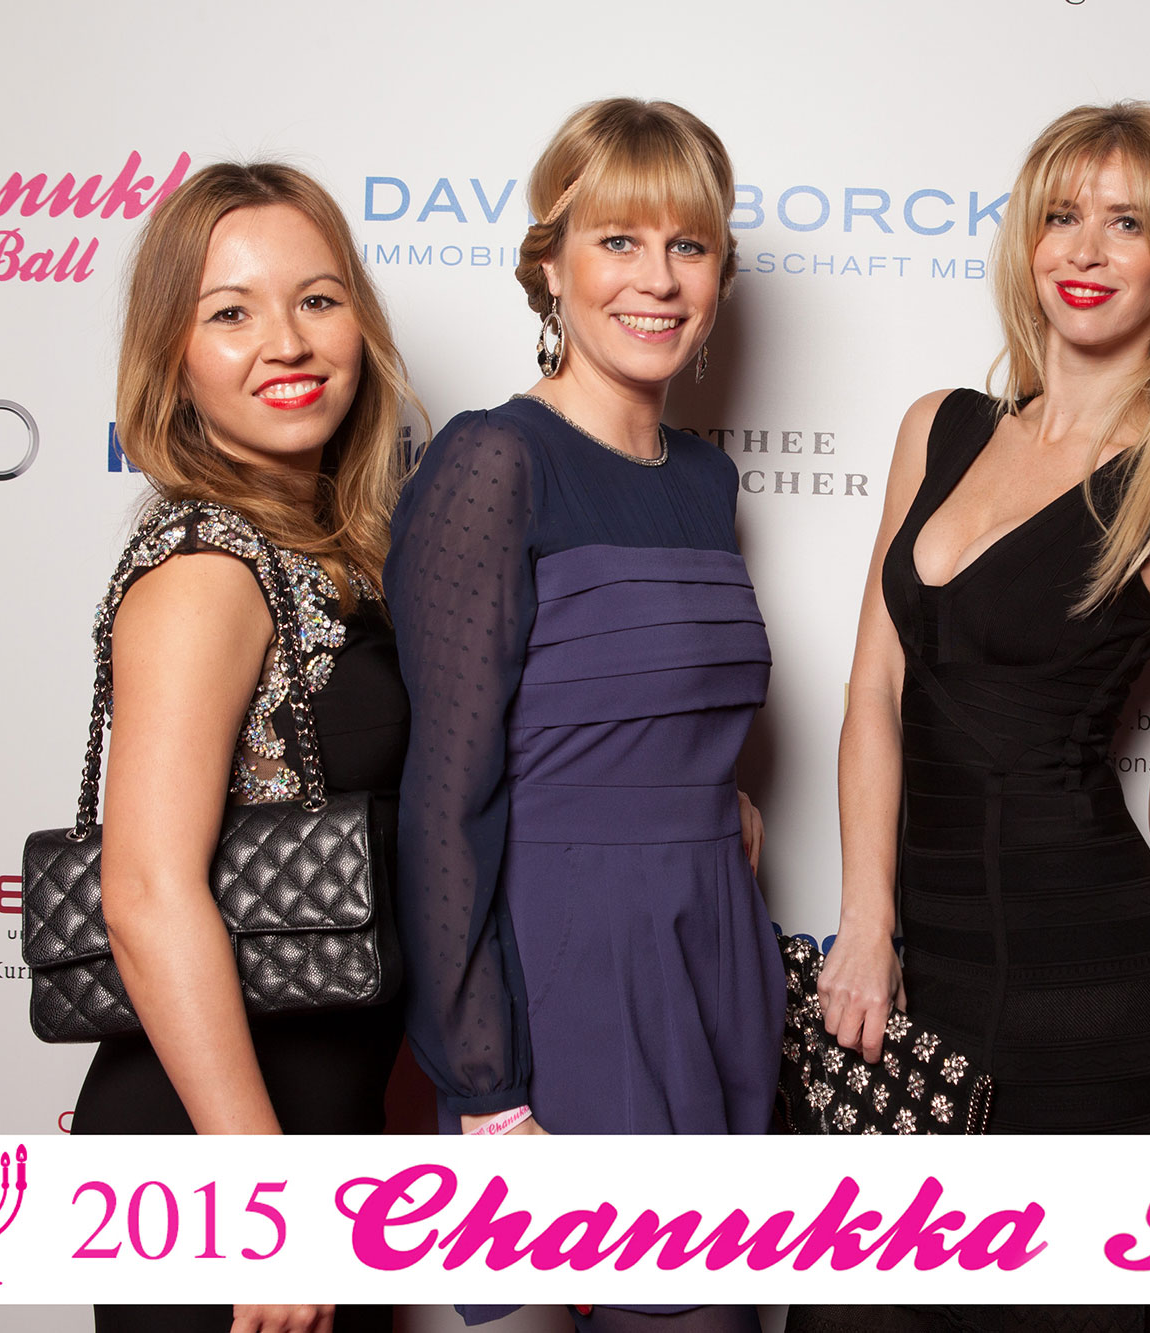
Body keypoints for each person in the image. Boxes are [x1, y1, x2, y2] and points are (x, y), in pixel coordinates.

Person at [809, 101, 1150, 1330]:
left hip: (1087, 995)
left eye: (1127, 225)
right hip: (915, 977)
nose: (1085, 250)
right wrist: (865, 919)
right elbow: (872, 690)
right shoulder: (937, 428)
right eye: (1061, 215)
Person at [387, 98, 779, 1330]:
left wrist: (723, 816)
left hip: (709, 951)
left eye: (687, 245)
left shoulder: (705, 480)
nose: (656, 280)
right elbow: (443, 801)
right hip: (567, 970)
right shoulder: (492, 461)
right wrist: (488, 1088)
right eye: (617, 241)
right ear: (550, 265)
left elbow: (659, 710)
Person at [69, 162, 419, 1333]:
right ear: (173, 357)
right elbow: (145, 894)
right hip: (222, 1167)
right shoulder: (205, 572)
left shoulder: (339, 550)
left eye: (317, 299)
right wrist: (264, 1205)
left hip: (322, 1140)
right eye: (231, 311)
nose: (289, 342)